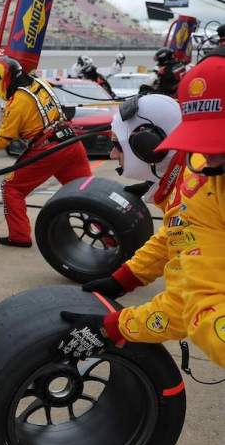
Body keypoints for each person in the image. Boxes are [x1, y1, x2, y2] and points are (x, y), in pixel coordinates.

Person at [61, 53, 225, 368]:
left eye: (117, 145)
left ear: (147, 145)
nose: (111, 153)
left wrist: (116, 326)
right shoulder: (198, 179)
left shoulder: (199, 183)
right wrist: (126, 278)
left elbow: (189, 308)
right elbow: (176, 236)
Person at [0, 56, 92, 247]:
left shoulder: (17, 102)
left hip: (48, 149)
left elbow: (4, 138)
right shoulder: (39, 82)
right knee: (87, 196)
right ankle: (111, 235)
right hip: (71, 141)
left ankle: (19, 236)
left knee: (12, 188)